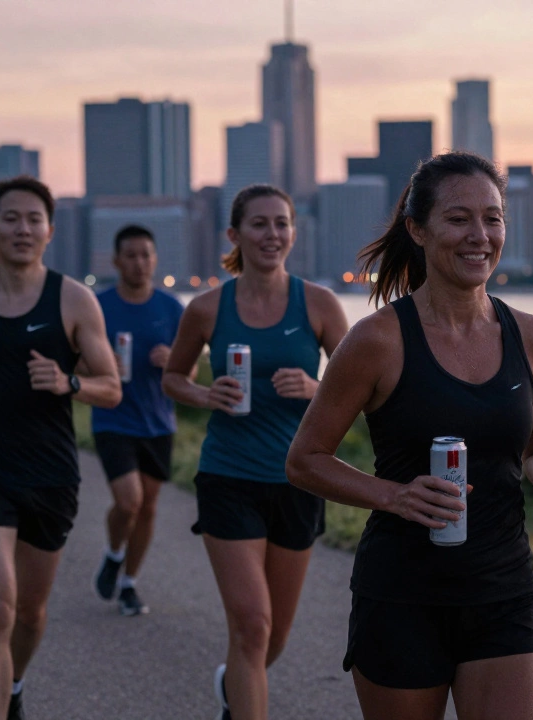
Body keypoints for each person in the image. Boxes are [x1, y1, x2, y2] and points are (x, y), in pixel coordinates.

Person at [286, 151, 533, 720]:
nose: (480, 235)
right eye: (458, 219)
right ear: (417, 230)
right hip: (402, 595)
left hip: (503, 588)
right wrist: (392, 494)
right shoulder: (378, 341)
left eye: (493, 218)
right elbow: (305, 460)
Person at [0, 176, 121, 720]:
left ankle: (13, 686)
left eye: (34, 219)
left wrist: (69, 383)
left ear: (50, 231)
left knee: (30, 614)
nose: (23, 228)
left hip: (50, 474)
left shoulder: (74, 300)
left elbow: (112, 387)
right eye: (10, 218)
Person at [162, 184, 349, 720]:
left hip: (298, 479)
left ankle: (234, 690)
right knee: (252, 626)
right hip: (229, 475)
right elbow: (173, 377)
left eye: (282, 224)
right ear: (235, 235)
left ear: (294, 232)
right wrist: (204, 393)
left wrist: (316, 389)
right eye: (260, 224)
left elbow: (359, 383)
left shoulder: (317, 303)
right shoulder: (205, 308)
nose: (273, 235)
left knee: (274, 639)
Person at [89, 224, 187, 616]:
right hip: (112, 418)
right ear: (116, 262)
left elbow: (189, 374)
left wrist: (173, 363)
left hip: (159, 422)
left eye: (146, 254)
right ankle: (114, 553)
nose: (139, 262)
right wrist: (99, 365)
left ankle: (129, 583)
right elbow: (76, 360)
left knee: (148, 508)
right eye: (130, 255)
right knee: (129, 502)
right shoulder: (97, 306)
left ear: (155, 260)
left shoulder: (171, 308)